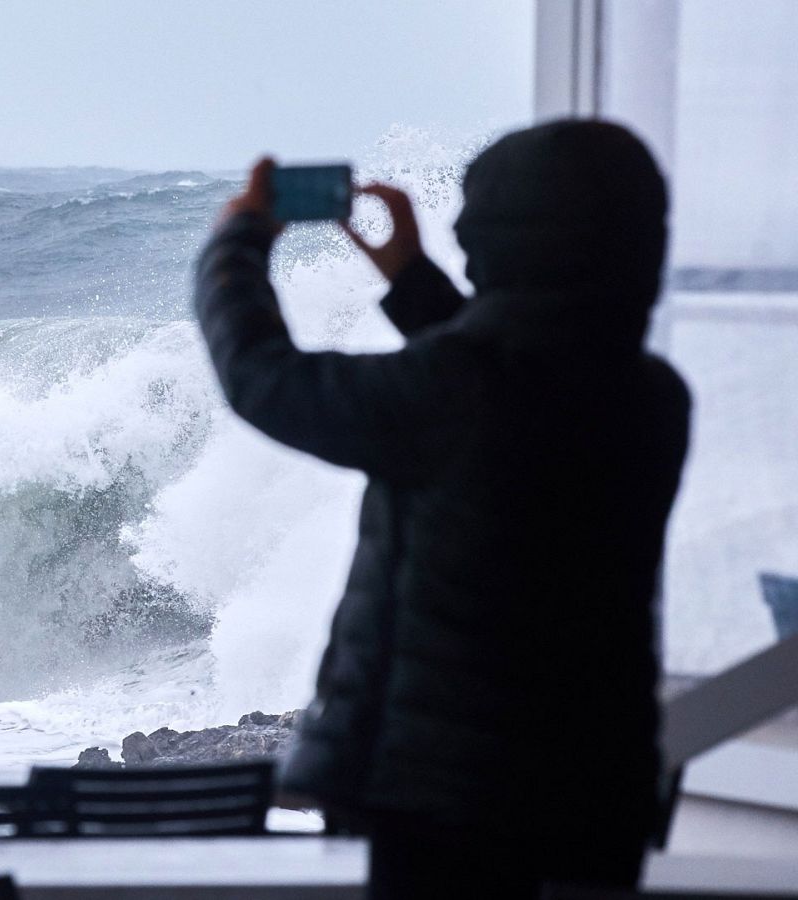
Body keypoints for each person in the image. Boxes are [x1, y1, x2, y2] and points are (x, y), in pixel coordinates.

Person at [193, 120, 690, 899]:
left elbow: (263, 377)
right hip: (599, 791)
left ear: (496, 241)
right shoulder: (652, 397)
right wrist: (412, 278)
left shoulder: (457, 392)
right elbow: (521, 370)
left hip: (444, 803)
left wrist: (238, 242)